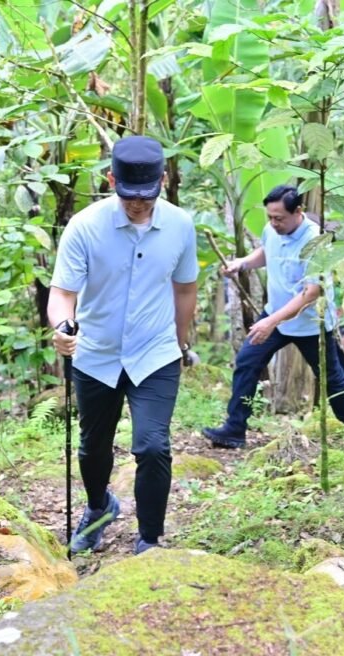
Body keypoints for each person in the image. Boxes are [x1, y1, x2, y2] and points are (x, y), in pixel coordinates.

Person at [48, 135, 198, 556]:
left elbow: (185, 289)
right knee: (93, 446)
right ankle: (99, 508)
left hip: (155, 353)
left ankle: (149, 539)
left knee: (153, 445)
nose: (137, 204)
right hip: (95, 353)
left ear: (163, 182)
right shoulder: (85, 227)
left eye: (146, 197)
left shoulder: (180, 226)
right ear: (111, 179)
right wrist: (62, 327)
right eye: (128, 195)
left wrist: (180, 342)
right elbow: (63, 292)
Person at [203, 185, 344, 448]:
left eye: (279, 218)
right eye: (270, 217)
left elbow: (311, 293)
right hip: (275, 312)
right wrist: (242, 262)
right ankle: (234, 429)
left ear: (298, 211)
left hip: (312, 323)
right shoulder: (271, 229)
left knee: (332, 378)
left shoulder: (316, 241)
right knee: (246, 362)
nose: (274, 223)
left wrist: (270, 321)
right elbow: (267, 251)